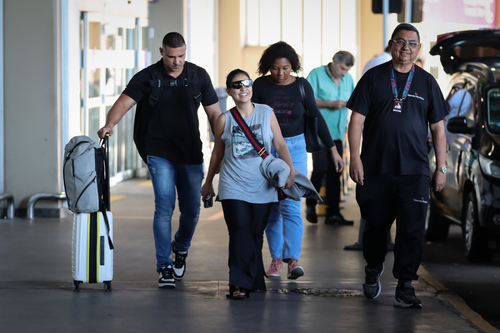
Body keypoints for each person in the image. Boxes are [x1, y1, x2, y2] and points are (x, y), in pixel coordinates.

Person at [97, 32, 221, 289]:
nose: (177, 61)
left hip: (190, 152)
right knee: (164, 207)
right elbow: (123, 103)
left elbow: (214, 114)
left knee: (192, 210)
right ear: (161, 52)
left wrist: (223, 142)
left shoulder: (198, 76)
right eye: (171, 56)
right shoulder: (148, 77)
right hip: (158, 151)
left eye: (181, 56)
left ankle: (181, 248)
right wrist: (109, 124)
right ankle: (164, 264)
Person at [346, 23, 447, 309]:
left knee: (412, 229)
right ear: (392, 45)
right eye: (400, 42)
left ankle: (405, 285)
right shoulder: (373, 78)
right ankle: (373, 266)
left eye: (411, 43)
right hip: (376, 168)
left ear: (418, 48)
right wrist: (356, 158)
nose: (406, 47)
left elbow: (438, 129)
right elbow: (356, 121)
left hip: (414, 170)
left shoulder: (427, 82)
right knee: (376, 225)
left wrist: (441, 168)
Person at [252, 41, 343, 279]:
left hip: (295, 148)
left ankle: (293, 260)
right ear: (267, 67)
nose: (281, 73)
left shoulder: (302, 86)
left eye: (286, 68)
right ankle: (275, 260)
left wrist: (333, 149)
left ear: (293, 66)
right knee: (271, 207)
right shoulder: (260, 86)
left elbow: (316, 116)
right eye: (275, 68)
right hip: (266, 151)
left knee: (291, 205)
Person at [201, 69, 295, 299]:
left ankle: (252, 281)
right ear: (230, 91)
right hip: (233, 185)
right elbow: (217, 154)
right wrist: (208, 182)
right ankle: (238, 284)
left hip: (263, 185)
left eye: (247, 83)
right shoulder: (224, 119)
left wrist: (290, 170)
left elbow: (280, 144)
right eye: (237, 85)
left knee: (254, 233)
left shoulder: (266, 113)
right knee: (240, 231)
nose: (243, 88)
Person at [305, 51, 355, 225]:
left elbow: (354, 99)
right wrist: (330, 104)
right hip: (320, 132)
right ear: (333, 62)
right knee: (320, 169)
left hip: (338, 133)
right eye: (341, 68)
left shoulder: (348, 79)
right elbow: (306, 99)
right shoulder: (316, 74)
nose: (343, 73)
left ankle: (333, 213)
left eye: (347, 70)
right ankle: (310, 203)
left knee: (336, 172)